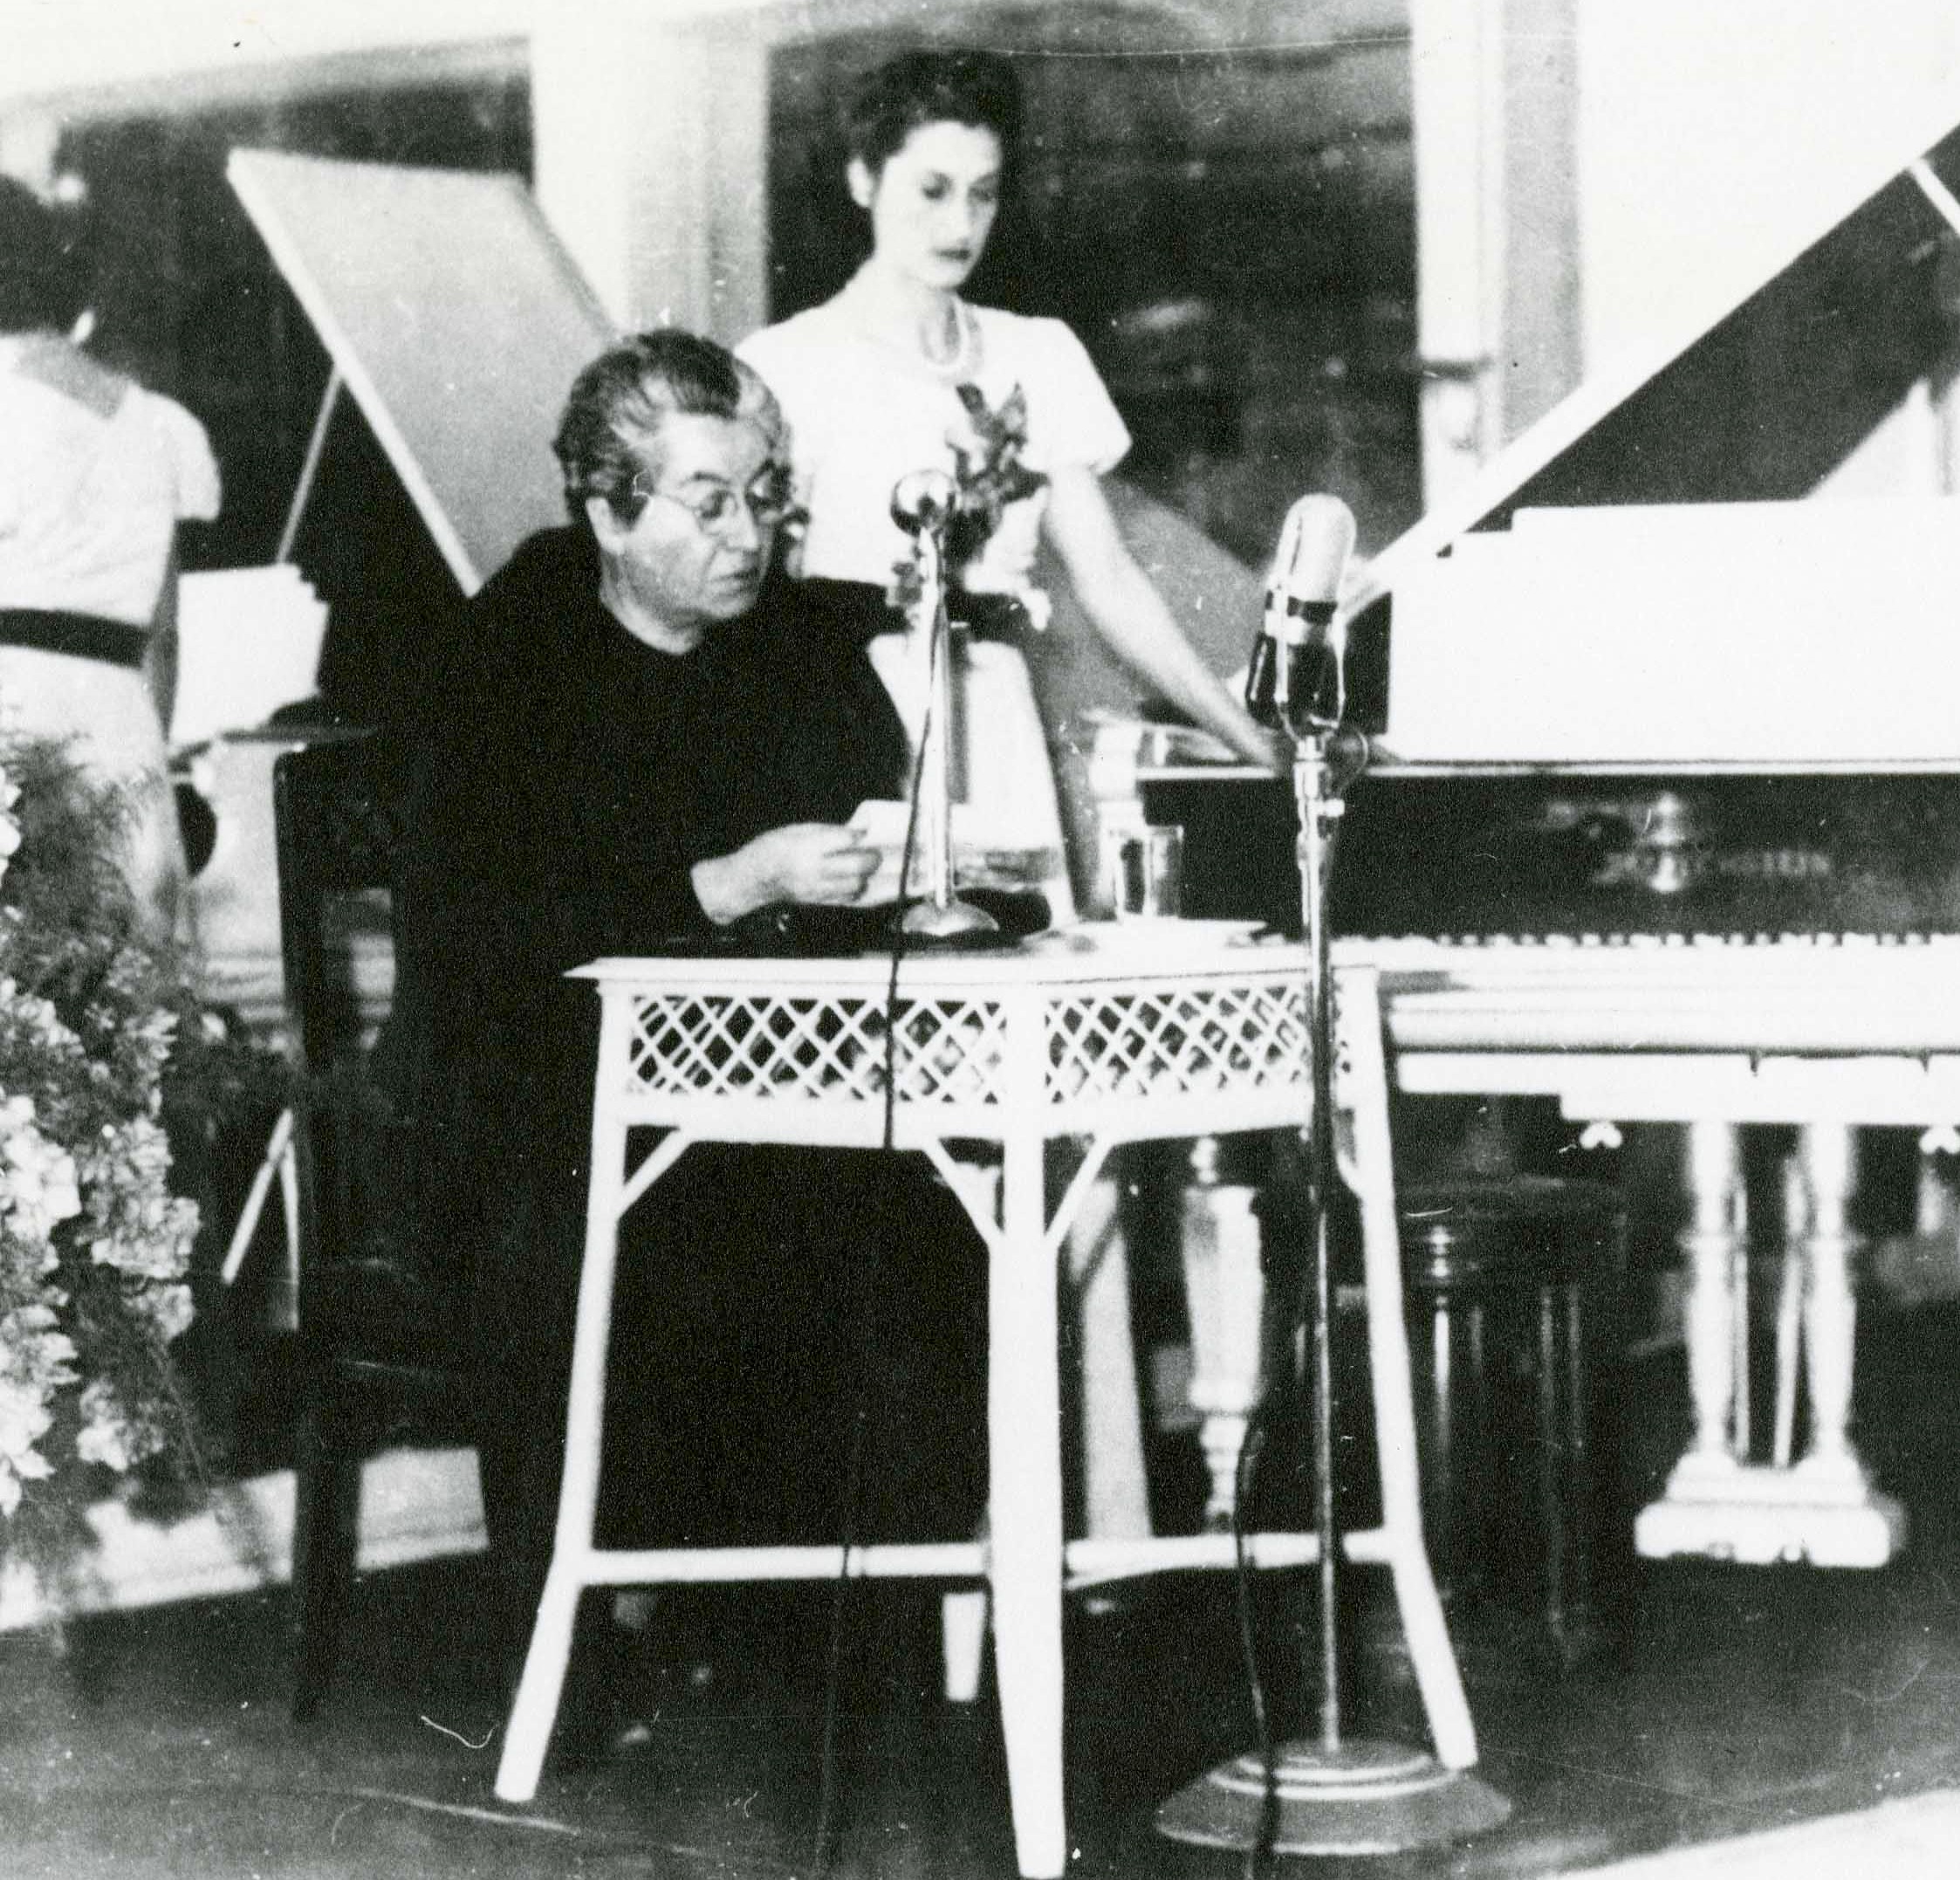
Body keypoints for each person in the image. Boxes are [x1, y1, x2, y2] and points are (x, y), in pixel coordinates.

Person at [401, 330, 988, 1680]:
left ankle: (818, 1620)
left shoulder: (793, 647)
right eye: (709, 502)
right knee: (671, 1220)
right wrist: (727, 882)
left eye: (764, 497)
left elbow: (878, 827)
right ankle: (611, 1627)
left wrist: (897, 879)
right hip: (530, 1106)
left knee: (938, 1207)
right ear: (608, 511)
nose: (747, 535)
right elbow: (482, 933)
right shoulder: (508, 655)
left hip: (765, 1092)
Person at [737, 47, 1284, 919]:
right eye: (931, 189)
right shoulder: (783, 367)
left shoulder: (1039, 354)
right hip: (849, 717)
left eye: (982, 193)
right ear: (862, 180)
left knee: (1015, 944)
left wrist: (1253, 743)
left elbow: (1110, 585)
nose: (959, 222)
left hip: (994, 712)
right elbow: (757, 605)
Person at [0, 175, 220, 937]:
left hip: (13, 711)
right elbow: (165, 637)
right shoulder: (159, 424)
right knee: (123, 971)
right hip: (122, 721)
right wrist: (144, 761)